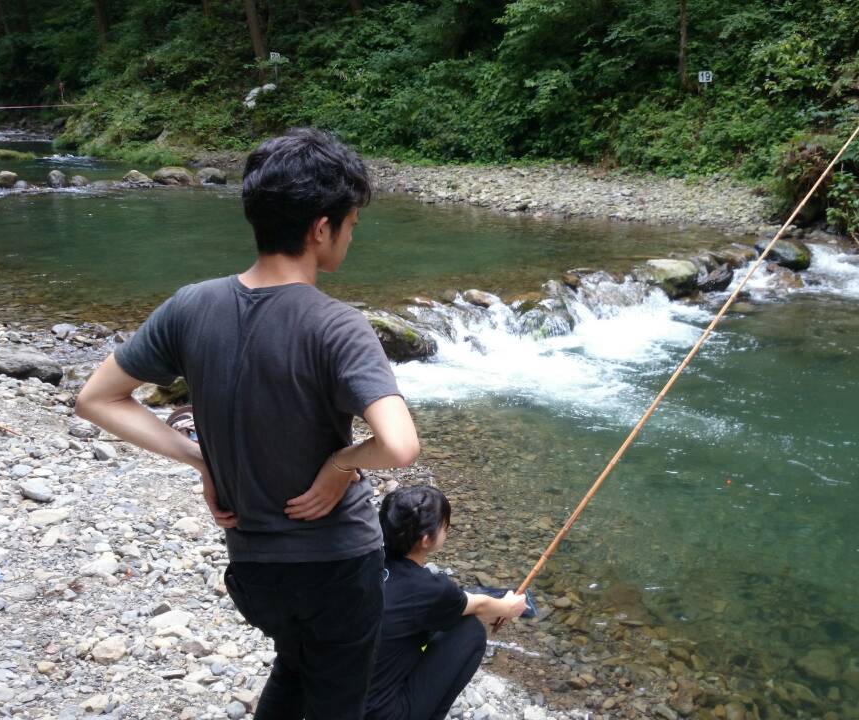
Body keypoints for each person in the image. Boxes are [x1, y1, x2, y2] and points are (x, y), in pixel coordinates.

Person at [75, 128, 420, 720]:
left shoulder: (191, 305)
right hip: (337, 568)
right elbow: (400, 445)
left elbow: (96, 398)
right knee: (337, 701)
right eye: (351, 224)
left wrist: (201, 459)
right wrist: (341, 464)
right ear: (321, 228)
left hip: (255, 572)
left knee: (295, 665)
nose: (351, 235)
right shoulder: (338, 325)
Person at [367, 486, 527, 720]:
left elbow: (463, 603)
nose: (447, 529)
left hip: (336, 704)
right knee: (470, 630)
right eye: (444, 526)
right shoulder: (429, 589)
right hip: (383, 714)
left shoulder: (367, 562)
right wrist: (509, 607)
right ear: (425, 540)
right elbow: (479, 605)